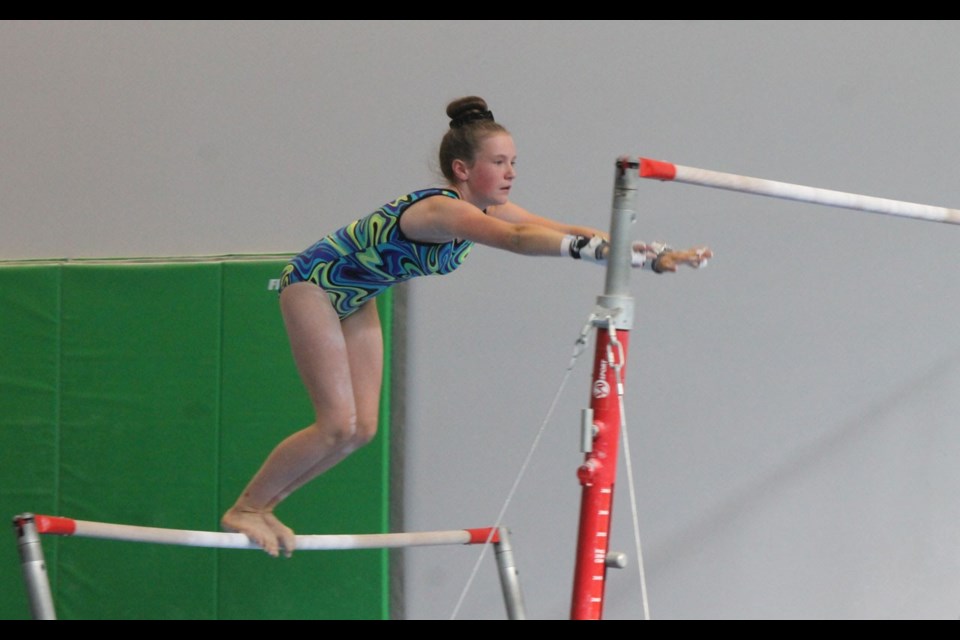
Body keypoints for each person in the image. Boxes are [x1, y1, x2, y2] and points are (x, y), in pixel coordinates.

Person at [221, 96, 712, 558]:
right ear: (463, 169)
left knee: (361, 430)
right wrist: (598, 254)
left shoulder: (486, 206)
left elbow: (559, 229)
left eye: (513, 161)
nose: (511, 172)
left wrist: (648, 254)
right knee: (335, 424)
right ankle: (244, 508)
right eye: (499, 162)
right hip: (314, 286)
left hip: (357, 297)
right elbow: (520, 240)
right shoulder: (441, 209)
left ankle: (263, 507)